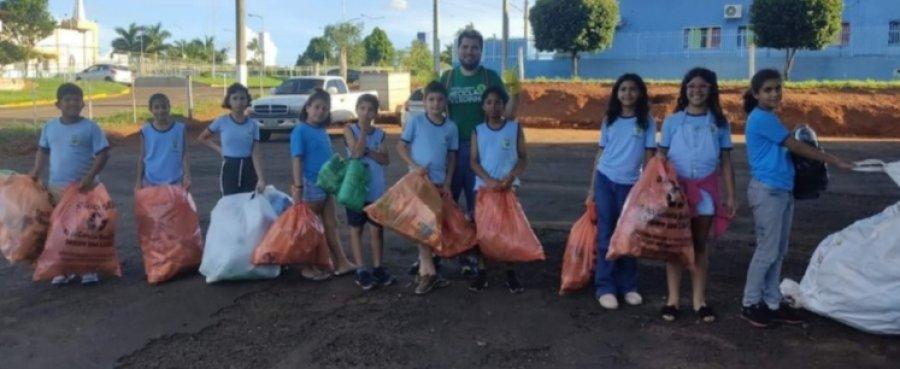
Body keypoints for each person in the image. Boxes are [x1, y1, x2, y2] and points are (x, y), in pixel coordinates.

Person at [740, 68, 855, 328]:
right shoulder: (761, 118)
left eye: (778, 88)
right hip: (767, 191)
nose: (774, 93)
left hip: (781, 191)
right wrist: (833, 159)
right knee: (767, 251)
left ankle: (771, 301)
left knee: (778, 251)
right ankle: (750, 303)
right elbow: (796, 146)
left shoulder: (769, 117)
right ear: (756, 93)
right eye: (768, 89)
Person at [658, 67, 737, 323]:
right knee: (675, 245)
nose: (697, 91)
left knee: (699, 245)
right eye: (691, 86)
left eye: (703, 86)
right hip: (675, 193)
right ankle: (672, 300)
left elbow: (725, 161)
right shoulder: (672, 121)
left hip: (705, 191)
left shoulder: (720, 123)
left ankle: (699, 300)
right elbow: (661, 156)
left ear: (711, 90)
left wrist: (730, 195)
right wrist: (662, 186)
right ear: (685, 90)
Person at [439, 29, 515, 276]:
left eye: (474, 47)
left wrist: (517, 94)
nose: (469, 52)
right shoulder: (447, 78)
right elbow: (432, 111)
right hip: (451, 151)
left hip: (483, 152)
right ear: (457, 50)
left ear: (481, 51)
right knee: (446, 203)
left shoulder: (490, 77)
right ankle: (441, 253)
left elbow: (507, 111)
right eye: (465, 47)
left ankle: (476, 254)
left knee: (478, 207)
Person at [585, 74, 657, 309]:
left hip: (632, 186)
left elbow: (649, 157)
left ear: (640, 93)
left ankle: (628, 286)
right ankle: (605, 286)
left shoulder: (646, 121)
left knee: (629, 234)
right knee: (606, 232)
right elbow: (600, 153)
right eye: (623, 89)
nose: (628, 93)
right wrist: (592, 189)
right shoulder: (610, 119)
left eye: (633, 89)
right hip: (606, 180)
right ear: (617, 93)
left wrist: (646, 188)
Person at [28, 82, 111, 285]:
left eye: (76, 99)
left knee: (86, 230)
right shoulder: (49, 127)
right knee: (59, 229)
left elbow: (103, 153)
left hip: (86, 188)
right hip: (57, 188)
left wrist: (90, 176)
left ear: (83, 103)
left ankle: (88, 269)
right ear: (58, 104)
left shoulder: (90, 127)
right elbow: (43, 151)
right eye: (67, 100)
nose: (72, 103)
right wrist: (36, 172)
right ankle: (62, 269)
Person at [397, 81, 458, 295]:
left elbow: (452, 156)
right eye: (431, 99)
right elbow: (401, 146)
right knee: (422, 227)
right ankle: (428, 272)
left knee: (433, 228)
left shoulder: (451, 127)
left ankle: (427, 270)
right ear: (424, 102)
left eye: (440, 99)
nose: (435, 104)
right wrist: (414, 167)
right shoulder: (416, 122)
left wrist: (449, 182)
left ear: (445, 102)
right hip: (420, 183)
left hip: (439, 184)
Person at [290, 88, 356, 280]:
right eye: (316, 107)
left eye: (325, 109)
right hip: (311, 184)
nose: (320, 111)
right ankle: (307, 266)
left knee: (330, 225)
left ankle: (341, 262)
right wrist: (298, 187)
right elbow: (297, 159)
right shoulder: (300, 130)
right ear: (308, 107)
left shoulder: (321, 130)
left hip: (327, 184)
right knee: (310, 228)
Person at [468, 86, 529, 294]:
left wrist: (510, 177)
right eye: (489, 102)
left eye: (498, 102)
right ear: (483, 106)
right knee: (483, 231)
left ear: (504, 105)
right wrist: (489, 180)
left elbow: (522, 157)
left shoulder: (514, 128)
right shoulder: (478, 130)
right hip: (485, 190)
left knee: (508, 231)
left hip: (508, 190)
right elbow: (474, 162)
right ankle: (482, 272)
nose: (493, 107)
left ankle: (510, 273)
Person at [343, 94, 396, 290]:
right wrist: (364, 134)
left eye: (370, 109)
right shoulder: (349, 129)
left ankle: (377, 267)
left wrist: (369, 152)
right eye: (362, 108)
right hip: (355, 190)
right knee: (356, 229)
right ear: (357, 110)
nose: (366, 113)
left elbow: (385, 159)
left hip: (376, 190)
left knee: (376, 230)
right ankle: (360, 269)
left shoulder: (380, 134)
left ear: (376, 113)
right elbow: (355, 153)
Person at [198, 83, 266, 195]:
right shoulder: (222, 121)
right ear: (228, 101)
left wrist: (261, 179)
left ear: (247, 100)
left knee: (249, 202)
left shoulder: (253, 125)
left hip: (249, 168)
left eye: (242, 98)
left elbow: (255, 153)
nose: (239, 102)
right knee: (229, 202)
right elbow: (202, 138)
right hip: (230, 167)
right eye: (235, 98)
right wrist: (220, 150)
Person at [134, 93, 190, 192]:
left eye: (164, 107)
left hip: (175, 182)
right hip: (151, 182)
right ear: (151, 110)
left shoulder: (180, 129)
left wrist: (187, 176)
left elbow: (184, 154)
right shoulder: (145, 131)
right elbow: (142, 156)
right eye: (156, 107)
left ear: (169, 107)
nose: (160, 110)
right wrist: (138, 181)